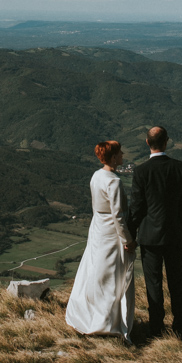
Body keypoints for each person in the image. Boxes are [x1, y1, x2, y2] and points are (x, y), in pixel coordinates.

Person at [65, 140, 137, 341]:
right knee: (111, 277)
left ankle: (89, 315)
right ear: (113, 157)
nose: (123, 154)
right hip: (112, 234)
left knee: (95, 273)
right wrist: (128, 240)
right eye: (120, 152)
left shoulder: (96, 176)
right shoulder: (114, 181)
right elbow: (119, 216)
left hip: (98, 231)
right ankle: (107, 322)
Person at [127, 126, 182, 338]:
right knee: (176, 283)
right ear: (167, 142)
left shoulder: (141, 171)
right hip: (174, 236)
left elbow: (137, 207)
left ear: (147, 143)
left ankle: (156, 329)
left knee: (153, 284)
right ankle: (180, 327)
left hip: (150, 237)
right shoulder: (181, 168)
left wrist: (130, 234)